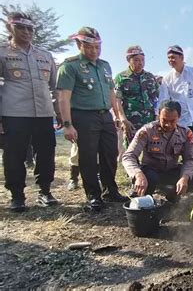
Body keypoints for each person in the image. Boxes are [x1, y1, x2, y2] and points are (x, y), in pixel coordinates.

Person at [56, 26, 127, 212]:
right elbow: (64, 97)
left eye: (97, 46)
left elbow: (111, 92)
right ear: (79, 44)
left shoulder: (105, 66)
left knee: (110, 154)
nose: (94, 51)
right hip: (84, 116)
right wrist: (67, 125)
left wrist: (118, 114)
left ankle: (110, 190)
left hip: (105, 116)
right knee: (88, 157)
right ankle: (93, 195)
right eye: (89, 47)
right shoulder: (69, 67)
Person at [0, 12, 61, 212]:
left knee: (46, 152)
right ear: (11, 28)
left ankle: (45, 191)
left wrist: (59, 112)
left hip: (43, 113)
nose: (26, 32)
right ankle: (17, 196)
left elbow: (55, 87)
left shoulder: (45, 55)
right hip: (14, 112)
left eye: (30, 29)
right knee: (14, 155)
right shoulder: (2, 52)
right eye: (21, 28)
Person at [122, 100, 193, 202]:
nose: (168, 124)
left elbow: (189, 159)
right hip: (150, 173)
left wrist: (184, 178)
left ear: (179, 117)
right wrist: (138, 174)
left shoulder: (186, 133)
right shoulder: (147, 131)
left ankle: (171, 199)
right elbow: (128, 156)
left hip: (170, 171)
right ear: (159, 115)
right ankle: (145, 200)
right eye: (164, 120)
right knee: (150, 177)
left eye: (172, 121)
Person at [159, 45, 193, 189]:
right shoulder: (167, 79)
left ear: (182, 58)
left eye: (174, 57)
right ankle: (192, 183)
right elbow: (163, 101)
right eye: (169, 58)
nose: (171, 60)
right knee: (188, 154)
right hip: (183, 124)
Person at [114, 45, 160, 145]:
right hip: (131, 123)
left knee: (153, 152)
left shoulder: (150, 77)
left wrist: (157, 116)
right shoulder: (121, 78)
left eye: (143, 60)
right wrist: (123, 120)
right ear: (128, 60)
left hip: (150, 122)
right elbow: (117, 101)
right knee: (132, 153)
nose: (140, 63)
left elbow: (158, 98)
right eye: (136, 60)